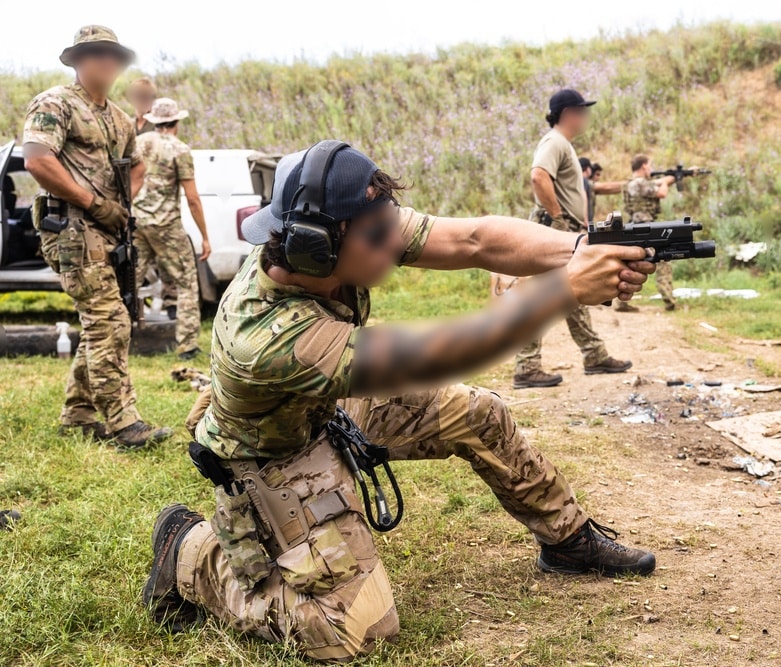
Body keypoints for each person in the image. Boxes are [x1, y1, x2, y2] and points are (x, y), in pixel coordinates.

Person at [142, 141, 658, 662]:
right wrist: (564, 288)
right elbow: (432, 356)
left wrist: (581, 247)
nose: (396, 243)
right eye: (378, 235)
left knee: (478, 413)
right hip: (273, 455)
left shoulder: (343, 228)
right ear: (317, 245)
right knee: (349, 632)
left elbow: (474, 239)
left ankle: (567, 540)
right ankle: (190, 552)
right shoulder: (269, 337)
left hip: (329, 407)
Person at [22, 25, 172, 450]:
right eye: (94, 54)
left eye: (112, 55)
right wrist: (94, 202)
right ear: (78, 60)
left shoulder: (120, 119)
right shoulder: (56, 103)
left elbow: (138, 167)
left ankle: (79, 412)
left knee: (102, 320)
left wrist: (120, 205)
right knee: (110, 320)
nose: (105, 61)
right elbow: (37, 160)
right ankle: (125, 422)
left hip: (107, 232)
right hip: (70, 229)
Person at [514, 89, 632, 389]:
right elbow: (538, 176)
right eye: (582, 111)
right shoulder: (555, 141)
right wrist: (558, 218)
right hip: (554, 229)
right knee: (541, 295)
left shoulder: (561, 143)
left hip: (561, 228)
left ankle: (594, 354)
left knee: (570, 290)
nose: (585, 118)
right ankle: (527, 367)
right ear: (568, 114)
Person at [133, 98, 211, 360]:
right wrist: (204, 237)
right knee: (187, 282)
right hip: (166, 226)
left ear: (155, 121)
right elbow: (192, 198)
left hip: (136, 223)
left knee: (128, 282)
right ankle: (187, 346)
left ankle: (116, 339)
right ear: (176, 122)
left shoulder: (138, 143)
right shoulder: (179, 150)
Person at [623, 154, 678, 311]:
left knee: (630, 263)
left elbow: (652, 185)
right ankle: (669, 300)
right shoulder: (641, 183)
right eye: (650, 166)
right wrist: (667, 182)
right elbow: (661, 193)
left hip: (634, 225)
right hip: (647, 227)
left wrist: (669, 179)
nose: (652, 169)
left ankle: (621, 302)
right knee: (663, 259)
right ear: (644, 166)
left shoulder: (631, 183)